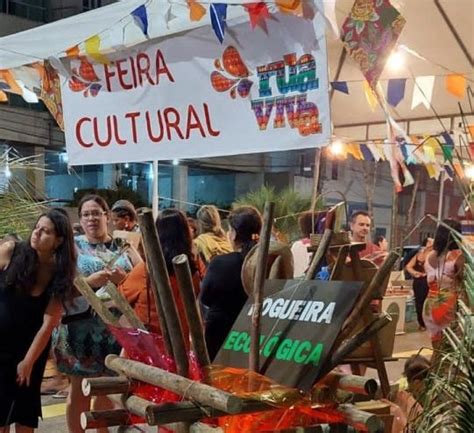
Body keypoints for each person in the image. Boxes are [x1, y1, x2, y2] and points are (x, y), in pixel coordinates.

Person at [53, 194, 139, 433]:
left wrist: (126, 280)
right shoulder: (72, 247)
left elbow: (143, 279)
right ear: (80, 218)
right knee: (79, 390)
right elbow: (60, 285)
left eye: (96, 213)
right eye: (86, 214)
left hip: (115, 331)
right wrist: (89, 281)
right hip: (79, 332)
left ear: (107, 216)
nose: (91, 218)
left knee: (108, 390)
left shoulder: (123, 246)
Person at [0, 209, 76, 432]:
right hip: (1, 343)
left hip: (30, 346)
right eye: (37, 228)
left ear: (58, 240)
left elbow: (49, 322)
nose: (37, 233)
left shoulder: (60, 271)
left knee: (24, 413)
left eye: (46, 231)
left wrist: (29, 361)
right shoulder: (11, 251)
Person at [119, 208, 203, 337]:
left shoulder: (145, 270)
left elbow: (122, 297)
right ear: (186, 234)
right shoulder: (194, 267)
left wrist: (120, 278)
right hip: (183, 341)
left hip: (152, 346)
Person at [200, 206, 262, 360]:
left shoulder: (221, 263)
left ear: (233, 234)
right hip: (255, 336)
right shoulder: (267, 262)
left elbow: (205, 298)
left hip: (221, 336)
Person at [423, 219, 464, 348]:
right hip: (448, 305)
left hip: (430, 304)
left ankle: (432, 368)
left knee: (437, 347)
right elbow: (463, 281)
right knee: (449, 350)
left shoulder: (430, 255)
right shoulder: (458, 256)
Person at [405, 237, 434, 330]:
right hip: (422, 281)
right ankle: (422, 323)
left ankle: (425, 323)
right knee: (420, 302)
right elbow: (408, 266)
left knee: (425, 302)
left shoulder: (431, 254)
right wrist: (415, 273)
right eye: (430, 240)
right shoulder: (421, 254)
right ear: (426, 243)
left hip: (426, 281)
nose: (432, 241)